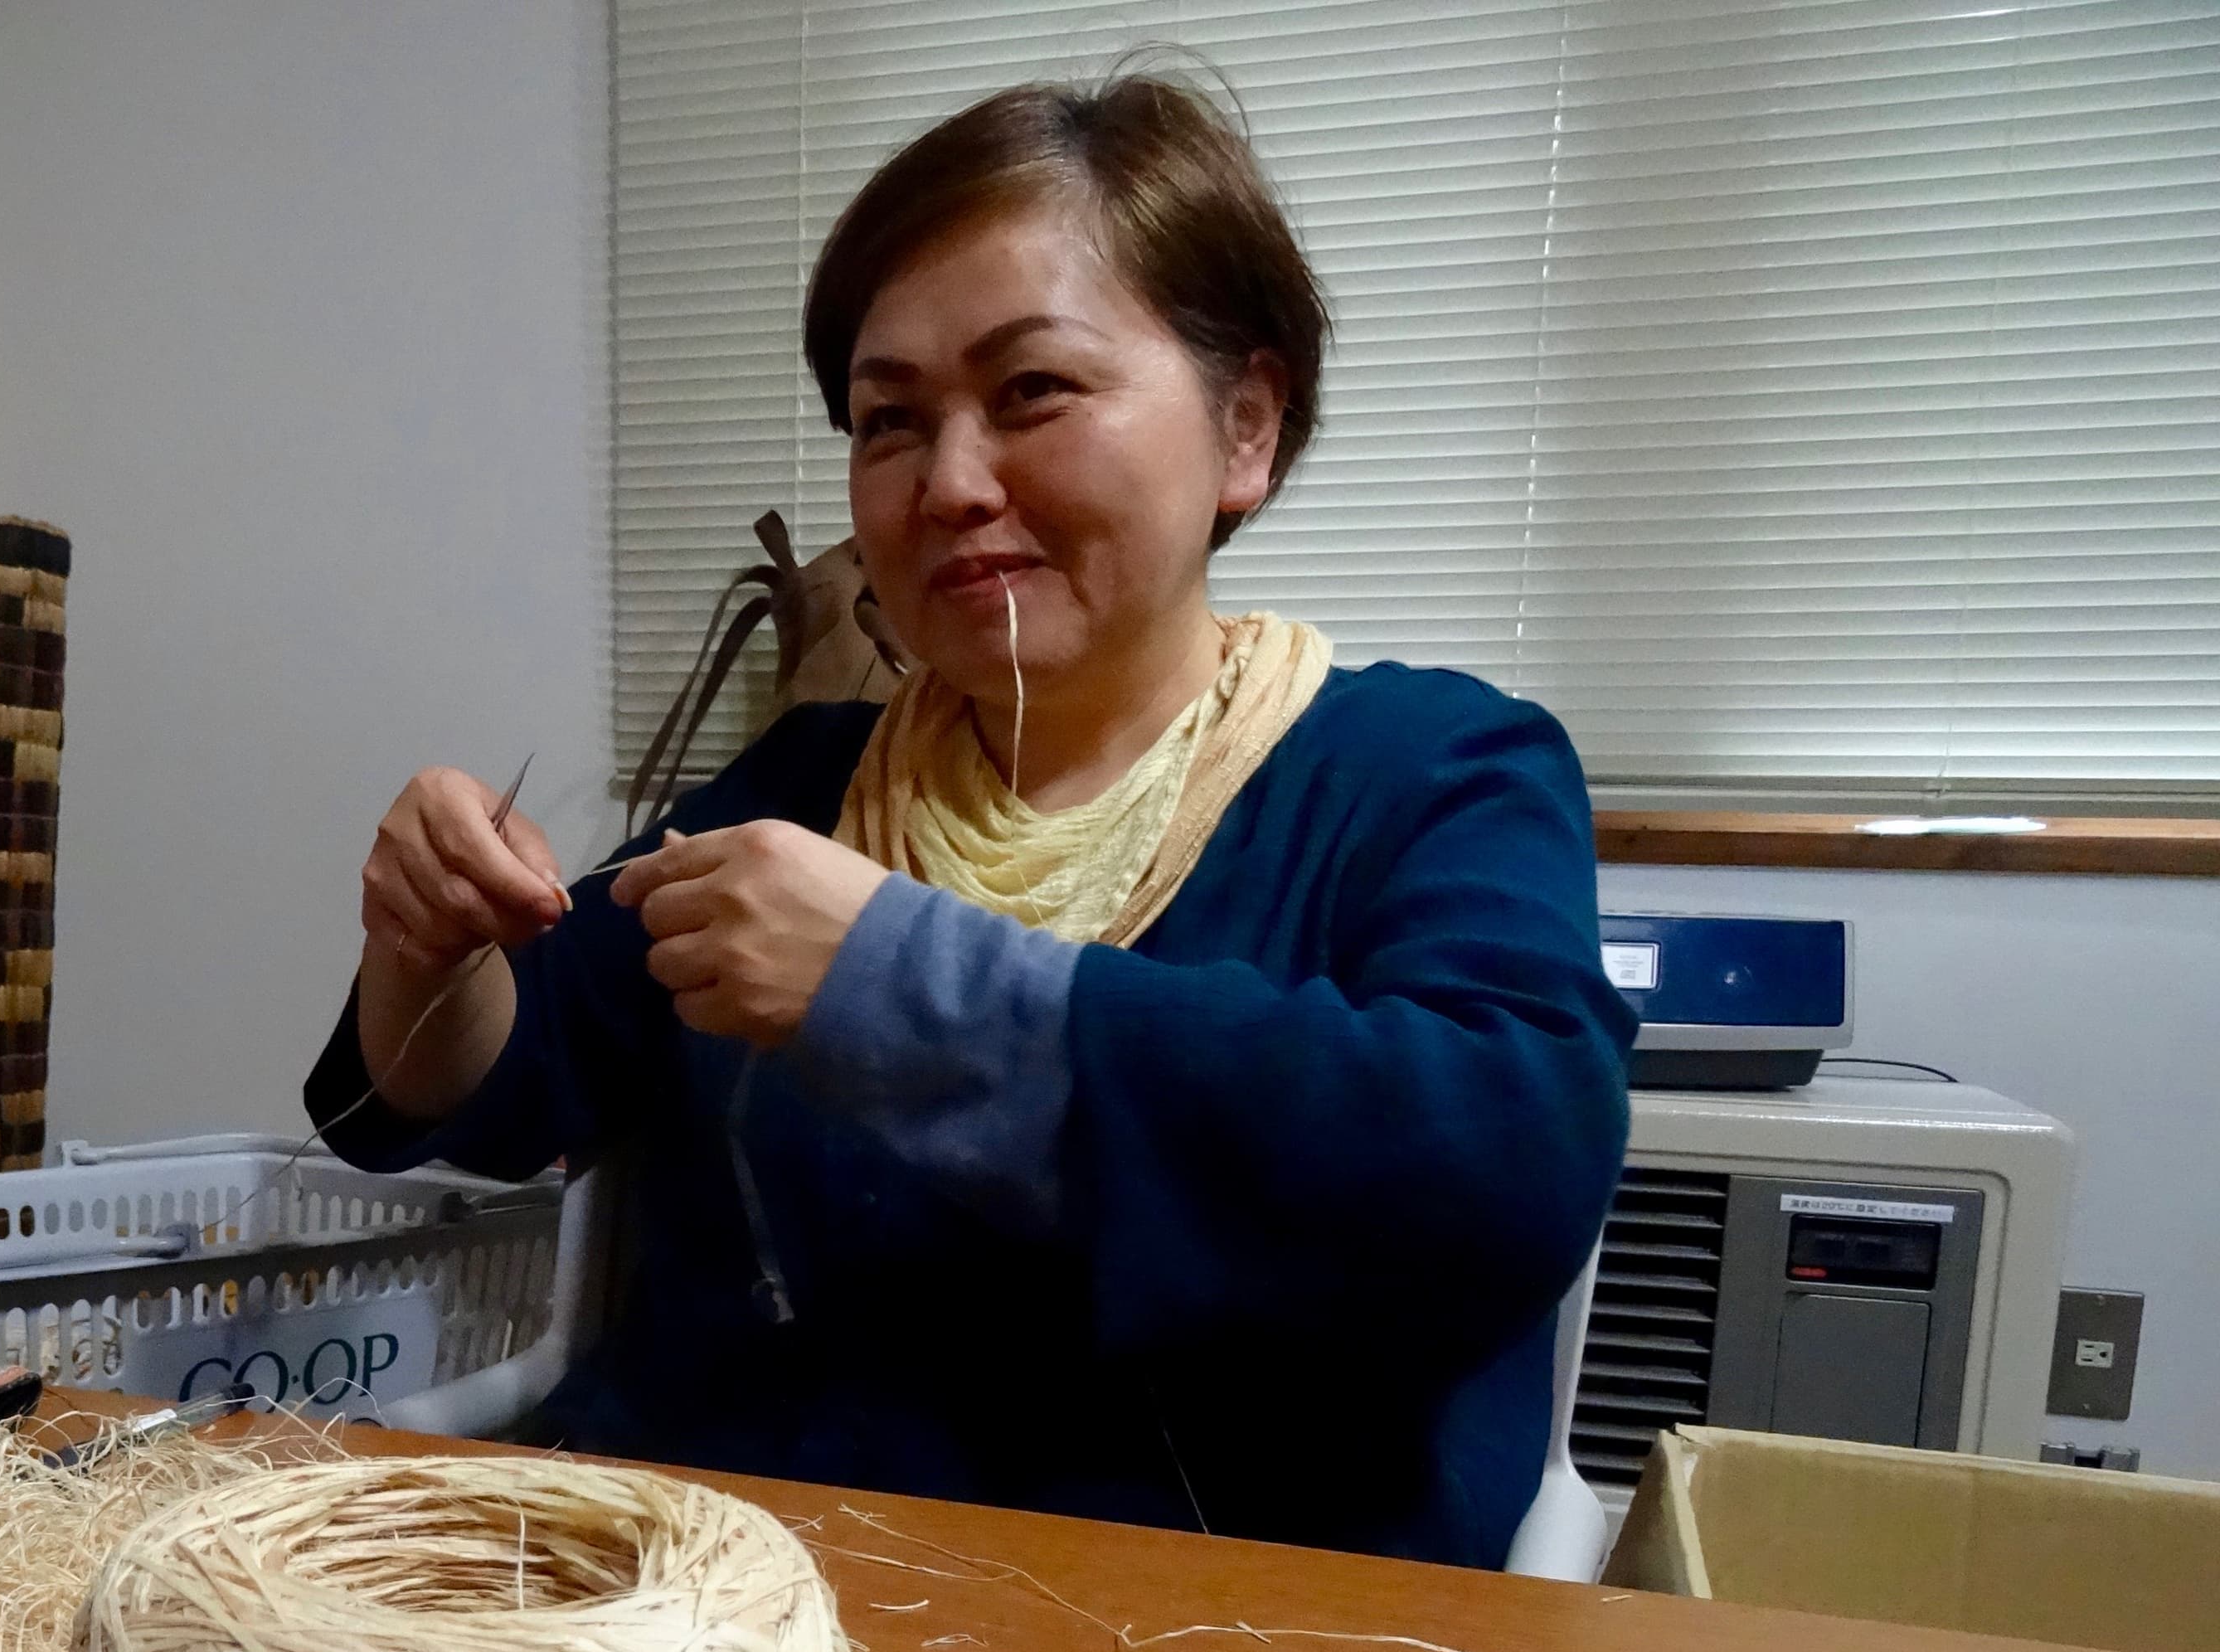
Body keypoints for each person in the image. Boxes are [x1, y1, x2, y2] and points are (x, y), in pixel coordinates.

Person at [303, 72, 1632, 1567]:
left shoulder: (1434, 770)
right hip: (696, 1621)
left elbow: (1503, 1169)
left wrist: (889, 982)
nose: (949, 481)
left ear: (1245, 428)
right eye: (889, 421)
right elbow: (498, 1086)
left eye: (1032, 393)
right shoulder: (810, 783)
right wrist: (430, 941)